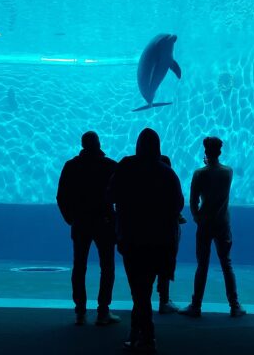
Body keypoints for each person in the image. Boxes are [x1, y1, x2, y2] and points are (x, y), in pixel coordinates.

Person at [108, 128, 184, 352]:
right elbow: (177, 205)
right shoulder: (167, 173)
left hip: (131, 239)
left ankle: (144, 333)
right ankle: (141, 332)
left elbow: (109, 195)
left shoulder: (126, 167)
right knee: (144, 288)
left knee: (138, 289)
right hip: (158, 241)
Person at [56, 131, 120, 326]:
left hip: (81, 223)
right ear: (98, 143)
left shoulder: (72, 166)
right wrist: (115, 219)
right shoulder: (110, 166)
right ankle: (103, 312)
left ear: (82, 145)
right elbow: (121, 195)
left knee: (79, 267)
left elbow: (61, 197)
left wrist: (71, 219)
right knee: (107, 267)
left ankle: (80, 312)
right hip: (104, 223)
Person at [179, 137, 246, 318]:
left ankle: (196, 305)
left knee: (202, 265)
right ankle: (235, 305)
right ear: (220, 151)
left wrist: (196, 217)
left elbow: (193, 201)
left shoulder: (199, 174)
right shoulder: (228, 172)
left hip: (205, 224)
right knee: (226, 264)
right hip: (223, 223)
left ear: (205, 152)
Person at [155, 155, 186, 314]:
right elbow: (178, 203)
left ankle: (144, 302)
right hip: (167, 232)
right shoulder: (171, 178)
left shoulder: (148, 181)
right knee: (165, 264)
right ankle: (164, 300)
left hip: (148, 231)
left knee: (148, 267)